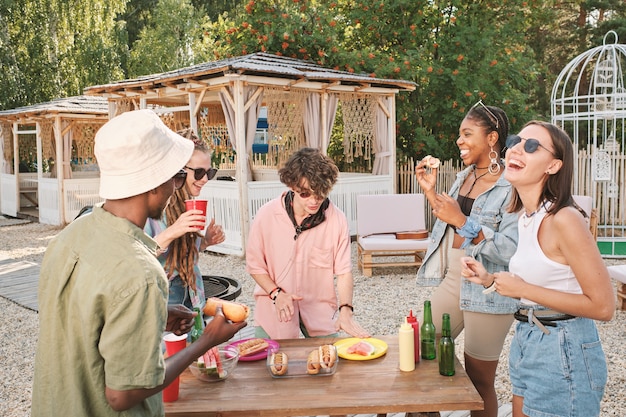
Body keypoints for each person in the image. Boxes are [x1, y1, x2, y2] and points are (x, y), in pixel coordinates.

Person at [31, 109, 246, 417]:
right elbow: (124, 394)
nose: (177, 187)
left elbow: (88, 320)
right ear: (153, 182)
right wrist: (206, 341)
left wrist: (157, 312)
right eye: (177, 176)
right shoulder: (141, 272)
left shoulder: (69, 237)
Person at [461, 121, 614, 417]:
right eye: (516, 140)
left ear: (553, 165)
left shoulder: (565, 219)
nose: (517, 148)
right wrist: (490, 279)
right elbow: (546, 282)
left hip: (563, 346)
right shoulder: (526, 217)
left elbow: (604, 307)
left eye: (532, 146)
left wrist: (523, 289)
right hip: (529, 337)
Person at [414, 101, 519, 417]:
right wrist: (431, 192)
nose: (459, 141)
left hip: (487, 289)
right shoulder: (466, 176)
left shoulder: (512, 185)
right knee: (419, 355)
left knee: (479, 380)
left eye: (467, 133)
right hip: (453, 279)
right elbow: (451, 219)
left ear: (491, 139)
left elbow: (509, 249)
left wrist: (462, 221)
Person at [246, 147, 370, 339]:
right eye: (304, 193)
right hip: (275, 307)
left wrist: (346, 310)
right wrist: (276, 294)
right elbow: (255, 265)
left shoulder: (337, 220)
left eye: (320, 194)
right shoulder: (266, 215)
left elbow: (344, 272)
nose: (313, 200)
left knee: (332, 363)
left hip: (319, 311)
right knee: (268, 364)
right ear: (291, 186)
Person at [145, 128, 225, 312]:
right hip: (164, 297)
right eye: (198, 172)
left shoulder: (187, 203)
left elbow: (182, 254)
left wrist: (205, 242)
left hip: (193, 293)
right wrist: (173, 230)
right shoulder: (153, 206)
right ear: (178, 170)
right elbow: (139, 256)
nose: (205, 179)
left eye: (209, 173)